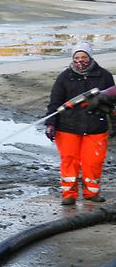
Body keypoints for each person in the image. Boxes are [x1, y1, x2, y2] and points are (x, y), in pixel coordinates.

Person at [44, 42, 115, 205]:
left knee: (93, 162)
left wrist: (108, 111)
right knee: (69, 161)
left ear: (90, 57)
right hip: (68, 127)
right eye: (77, 57)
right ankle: (69, 194)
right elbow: (54, 103)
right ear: (72, 58)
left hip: (96, 127)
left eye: (84, 57)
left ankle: (92, 193)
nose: (80, 61)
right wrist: (51, 124)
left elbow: (113, 101)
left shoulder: (104, 76)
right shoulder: (64, 77)